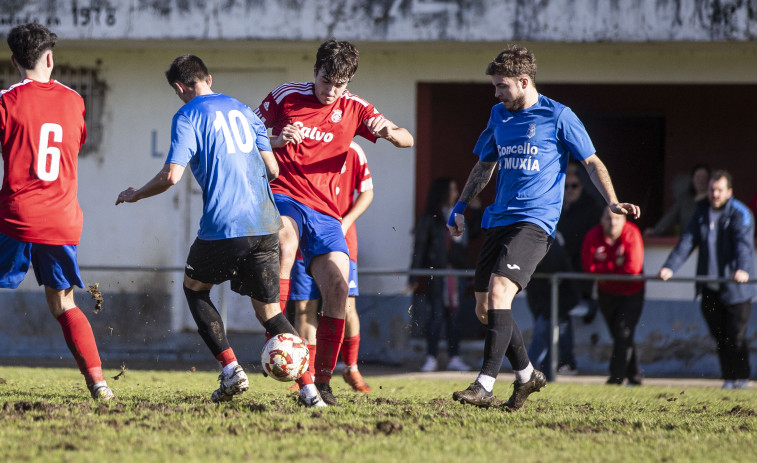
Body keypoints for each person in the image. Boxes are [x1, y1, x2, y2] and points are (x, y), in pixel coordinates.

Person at [115, 55, 324, 406]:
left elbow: (171, 176)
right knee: (271, 312)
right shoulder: (245, 110)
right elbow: (272, 169)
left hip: (224, 227)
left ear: (180, 87)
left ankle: (231, 371)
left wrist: (136, 194)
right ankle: (310, 391)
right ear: (208, 78)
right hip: (264, 224)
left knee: (195, 290)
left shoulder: (187, 115)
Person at [448, 44, 640, 410]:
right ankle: (527, 376)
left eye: (502, 86)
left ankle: (484, 385)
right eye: (494, 86)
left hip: (535, 222)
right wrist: (459, 207)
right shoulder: (497, 115)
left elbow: (592, 162)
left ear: (524, 81)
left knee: (501, 291)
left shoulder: (559, 116)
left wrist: (612, 201)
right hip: (498, 219)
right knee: (485, 308)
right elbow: (484, 165)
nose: (496, 93)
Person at [254, 39, 413, 406]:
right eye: (326, 81)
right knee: (285, 240)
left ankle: (323, 382)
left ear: (349, 81)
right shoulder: (286, 96)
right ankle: (275, 335)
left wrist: (390, 133)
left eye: (339, 85)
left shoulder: (356, 108)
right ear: (315, 72)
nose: (330, 91)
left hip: (326, 212)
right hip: (285, 195)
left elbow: (408, 139)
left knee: (339, 289)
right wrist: (277, 140)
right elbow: (248, 134)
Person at [0, 24, 114, 401]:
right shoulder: (75, 100)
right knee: (64, 302)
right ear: (50, 58)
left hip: (17, 216)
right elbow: (73, 143)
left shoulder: (6, 101)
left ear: (15, 61)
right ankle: (99, 384)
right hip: (62, 220)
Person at [290, 141, 374, 393]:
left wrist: (346, 222)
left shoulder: (354, 149)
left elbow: (367, 192)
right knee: (305, 308)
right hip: (304, 240)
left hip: (342, 242)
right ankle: (307, 373)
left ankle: (351, 367)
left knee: (347, 306)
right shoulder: (302, 143)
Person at [658, 170, 754, 390]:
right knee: (719, 335)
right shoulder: (701, 211)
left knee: (736, 336)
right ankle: (728, 379)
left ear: (729, 192)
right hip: (710, 288)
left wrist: (742, 269)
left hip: (735, 288)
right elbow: (687, 241)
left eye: (719, 190)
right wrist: (669, 267)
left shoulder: (741, 214)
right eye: (712, 190)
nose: (715, 194)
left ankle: (742, 378)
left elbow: (744, 246)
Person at [410, 177, 473, 373]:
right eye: (452, 190)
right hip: (437, 274)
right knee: (435, 316)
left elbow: (466, 243)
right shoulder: (430, 217)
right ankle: (431, 356)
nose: (455, 194)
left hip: (456, 275)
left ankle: (454, 357)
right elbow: (420, 247)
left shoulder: (459, 215)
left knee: (455, 316)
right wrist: (413, 275)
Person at [583, 207, 645, 385]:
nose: (613, 222)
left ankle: (616, 378)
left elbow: (632, 268)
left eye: (617, 219)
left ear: (624, 221)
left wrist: (605, 271)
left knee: (623, 333)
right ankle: (635, 377)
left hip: (631, 293)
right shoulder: (593, 236)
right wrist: (616, 266)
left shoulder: (632, 234)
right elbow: (589, 267)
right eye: (609, 218)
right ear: (602, 219)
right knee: (620, 336)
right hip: (606, 294)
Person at [525, 231, 580, 379]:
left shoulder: (550, 242)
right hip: (543, 300)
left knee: (542, 336)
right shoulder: (535, 239)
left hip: (556, 298)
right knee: (548, 338)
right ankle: (543, 375)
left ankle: (527, 373)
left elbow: (552, 266)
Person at [556, 162, 604, 326]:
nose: (569, 189)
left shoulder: (591, 208)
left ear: (581, 187)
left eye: (574, 185)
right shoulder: (557, 209)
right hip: (561, 271)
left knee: (582, 307)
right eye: (566, 186)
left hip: (582, 269)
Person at [644, 164, 710, 237]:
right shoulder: (684, 199)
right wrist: (655, 231)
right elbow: (670, 217)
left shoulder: (713, 200)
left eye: (704, 177)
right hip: (687, 239)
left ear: (709, 180)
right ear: (692, 179)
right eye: (698, 177)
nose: (700, 180)